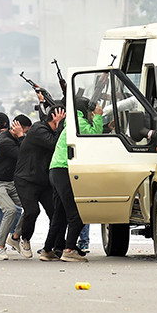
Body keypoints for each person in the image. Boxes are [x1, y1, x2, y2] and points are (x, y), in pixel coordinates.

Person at [45, 97, 103, 262]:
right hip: (64, 170)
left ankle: (47, 250)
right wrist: (98, 117)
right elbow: (93, 134)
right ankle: (69, 250)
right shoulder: (78, 121)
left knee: (60, 214)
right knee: (76, 215)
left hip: (56, 170)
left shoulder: (71, 120)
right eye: (91, 111)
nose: (92, 114)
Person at [13, 106, 63, 258]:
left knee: (55, 213)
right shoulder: (38, 130)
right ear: (55, 118)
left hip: (43, 180)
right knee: (33, 211)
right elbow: (55, 144)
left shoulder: (48, 130)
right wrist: (60, 124)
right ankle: (24, 239)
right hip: (26, 179)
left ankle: (55, 246)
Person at [0, 114, 28, 260]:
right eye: (24, 132)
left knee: (30, 207)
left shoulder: (15, 139)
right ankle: (0, 248)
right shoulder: (4, 141)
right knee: (10, 210)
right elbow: (24, 155)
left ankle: (15, 237)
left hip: (11, 183)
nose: (25, 135)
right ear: (16, 128)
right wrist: (22, 136)